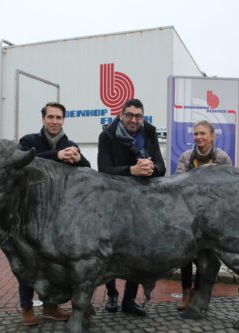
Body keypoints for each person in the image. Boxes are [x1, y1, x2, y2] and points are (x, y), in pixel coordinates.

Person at [18, 102, 91, 326]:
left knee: (54, 263)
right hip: (31, 212)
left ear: (63, 120)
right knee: (29, 260)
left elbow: (88, 171)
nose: (54, 121)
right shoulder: (29, 141)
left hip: (59, 215)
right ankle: (27, 308)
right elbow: (25, 162)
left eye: (59, 117)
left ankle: (50, 307)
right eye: (50, 117)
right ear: (43, 119)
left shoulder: (71, 144)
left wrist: (79, 159)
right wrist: (57, 155)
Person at [97, 98, 166, 316]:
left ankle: (128, 300)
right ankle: (112, 296)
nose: (134, 120)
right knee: (109, 251)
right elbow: (103, 169)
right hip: (114, 200)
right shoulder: (107, 135)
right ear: (121, 115)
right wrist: (131, 170)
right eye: (130, 115)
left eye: (138, 116)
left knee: (137, 251)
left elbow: (161, 167)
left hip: (140, 202)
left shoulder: (149, 132)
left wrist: (150, 168)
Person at [174, 119, 232, 310]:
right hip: (189, 215)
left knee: (204, 256)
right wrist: (200, 173)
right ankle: (185, 295)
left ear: (212, 136)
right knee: (185, 257)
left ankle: (198, 294)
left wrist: (213, 173)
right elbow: (178, 183)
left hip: (211, 218)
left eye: (203, 134)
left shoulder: (222, 158)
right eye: (196, 134)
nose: (198, 137)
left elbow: (229, 187)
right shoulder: (185, 157)